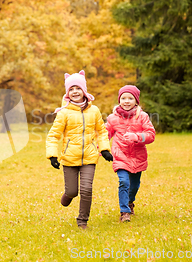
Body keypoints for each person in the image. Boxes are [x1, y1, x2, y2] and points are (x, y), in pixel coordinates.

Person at [46, 70, 113, 229]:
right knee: (72, 191)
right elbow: (54, 135)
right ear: (68, 93)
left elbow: (102, 131)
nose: (75, 91)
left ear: (84, 90)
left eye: (78, 88)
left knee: (86, 189)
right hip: (69, 158)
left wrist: (104, 149)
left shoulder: (94, 110)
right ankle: (67, 196)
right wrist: (53, 155)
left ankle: (82, 221)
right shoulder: (64, 113)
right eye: (71, 89)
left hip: (89, 157)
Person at [105, 85, 155, 223]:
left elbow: (151, 135)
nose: (126, 101)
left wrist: (137, 137)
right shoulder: (112, 118)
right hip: (120, 155)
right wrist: (101, 149)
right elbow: (104, 135)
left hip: (138, 156)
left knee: (134, 186)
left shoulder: (142, 117)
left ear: (136, 101)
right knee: (123, 182)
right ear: (119, 100)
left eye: (130, 98)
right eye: (123, 98)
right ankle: (124, 212)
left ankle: (130, 202)